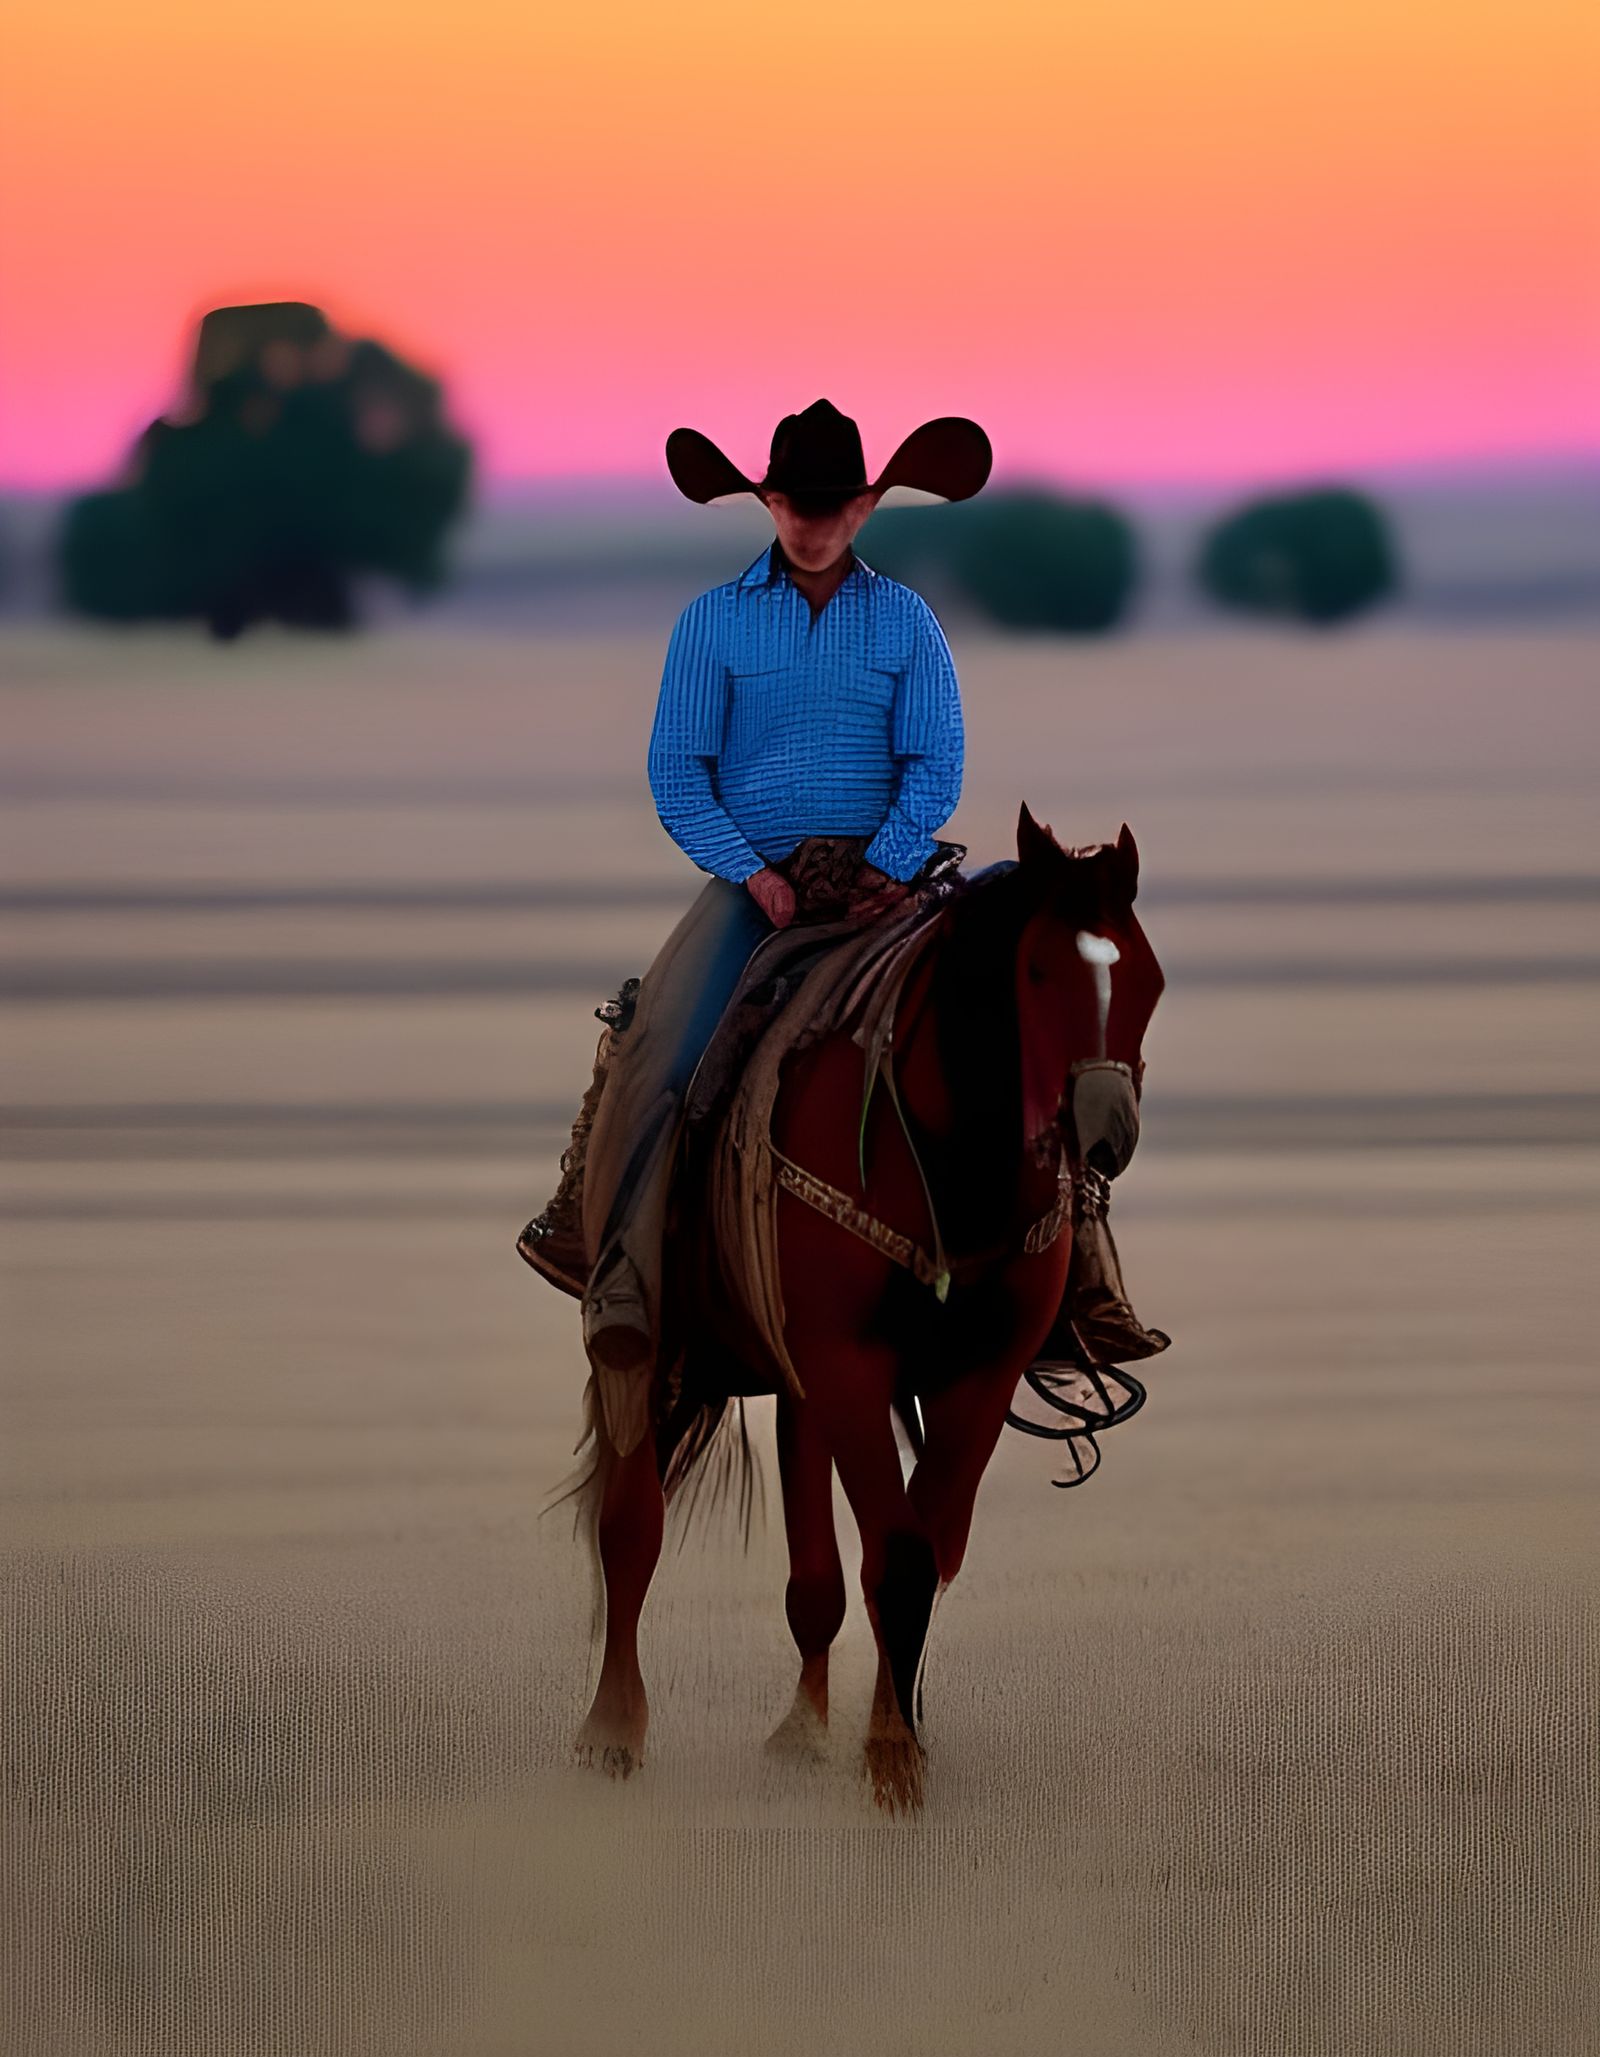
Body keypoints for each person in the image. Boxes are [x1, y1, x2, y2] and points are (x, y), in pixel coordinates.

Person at [520, 400, 992, 1452]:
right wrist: (753, 874)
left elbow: (936, 762)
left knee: (998, 1022)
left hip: (883, 884)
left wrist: (885, 863)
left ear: (867, 507)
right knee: (665, 1046)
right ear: (766, 502)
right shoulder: (713, 622)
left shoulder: (906, 622)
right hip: (753, 889)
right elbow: (677, 773)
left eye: (833, 506)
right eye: (793, 503)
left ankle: (1057, 1283)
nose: (812, 523)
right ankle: (621, 1276)